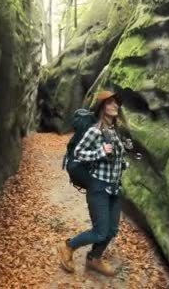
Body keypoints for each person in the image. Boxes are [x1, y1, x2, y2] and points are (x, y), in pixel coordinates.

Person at [57, 90, 128, 276]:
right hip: (98, 187)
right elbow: (79, 153)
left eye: (116, 103)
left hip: (114, 187)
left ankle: (94, 259)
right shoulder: (94, 131)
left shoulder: (114, 131)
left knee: (112, 230)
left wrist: (123, 163)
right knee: (99, 232)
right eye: (110, 103)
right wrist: (100, 152)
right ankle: (68, 247)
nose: (115, 106)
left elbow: (115, 158)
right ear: (102, 107)